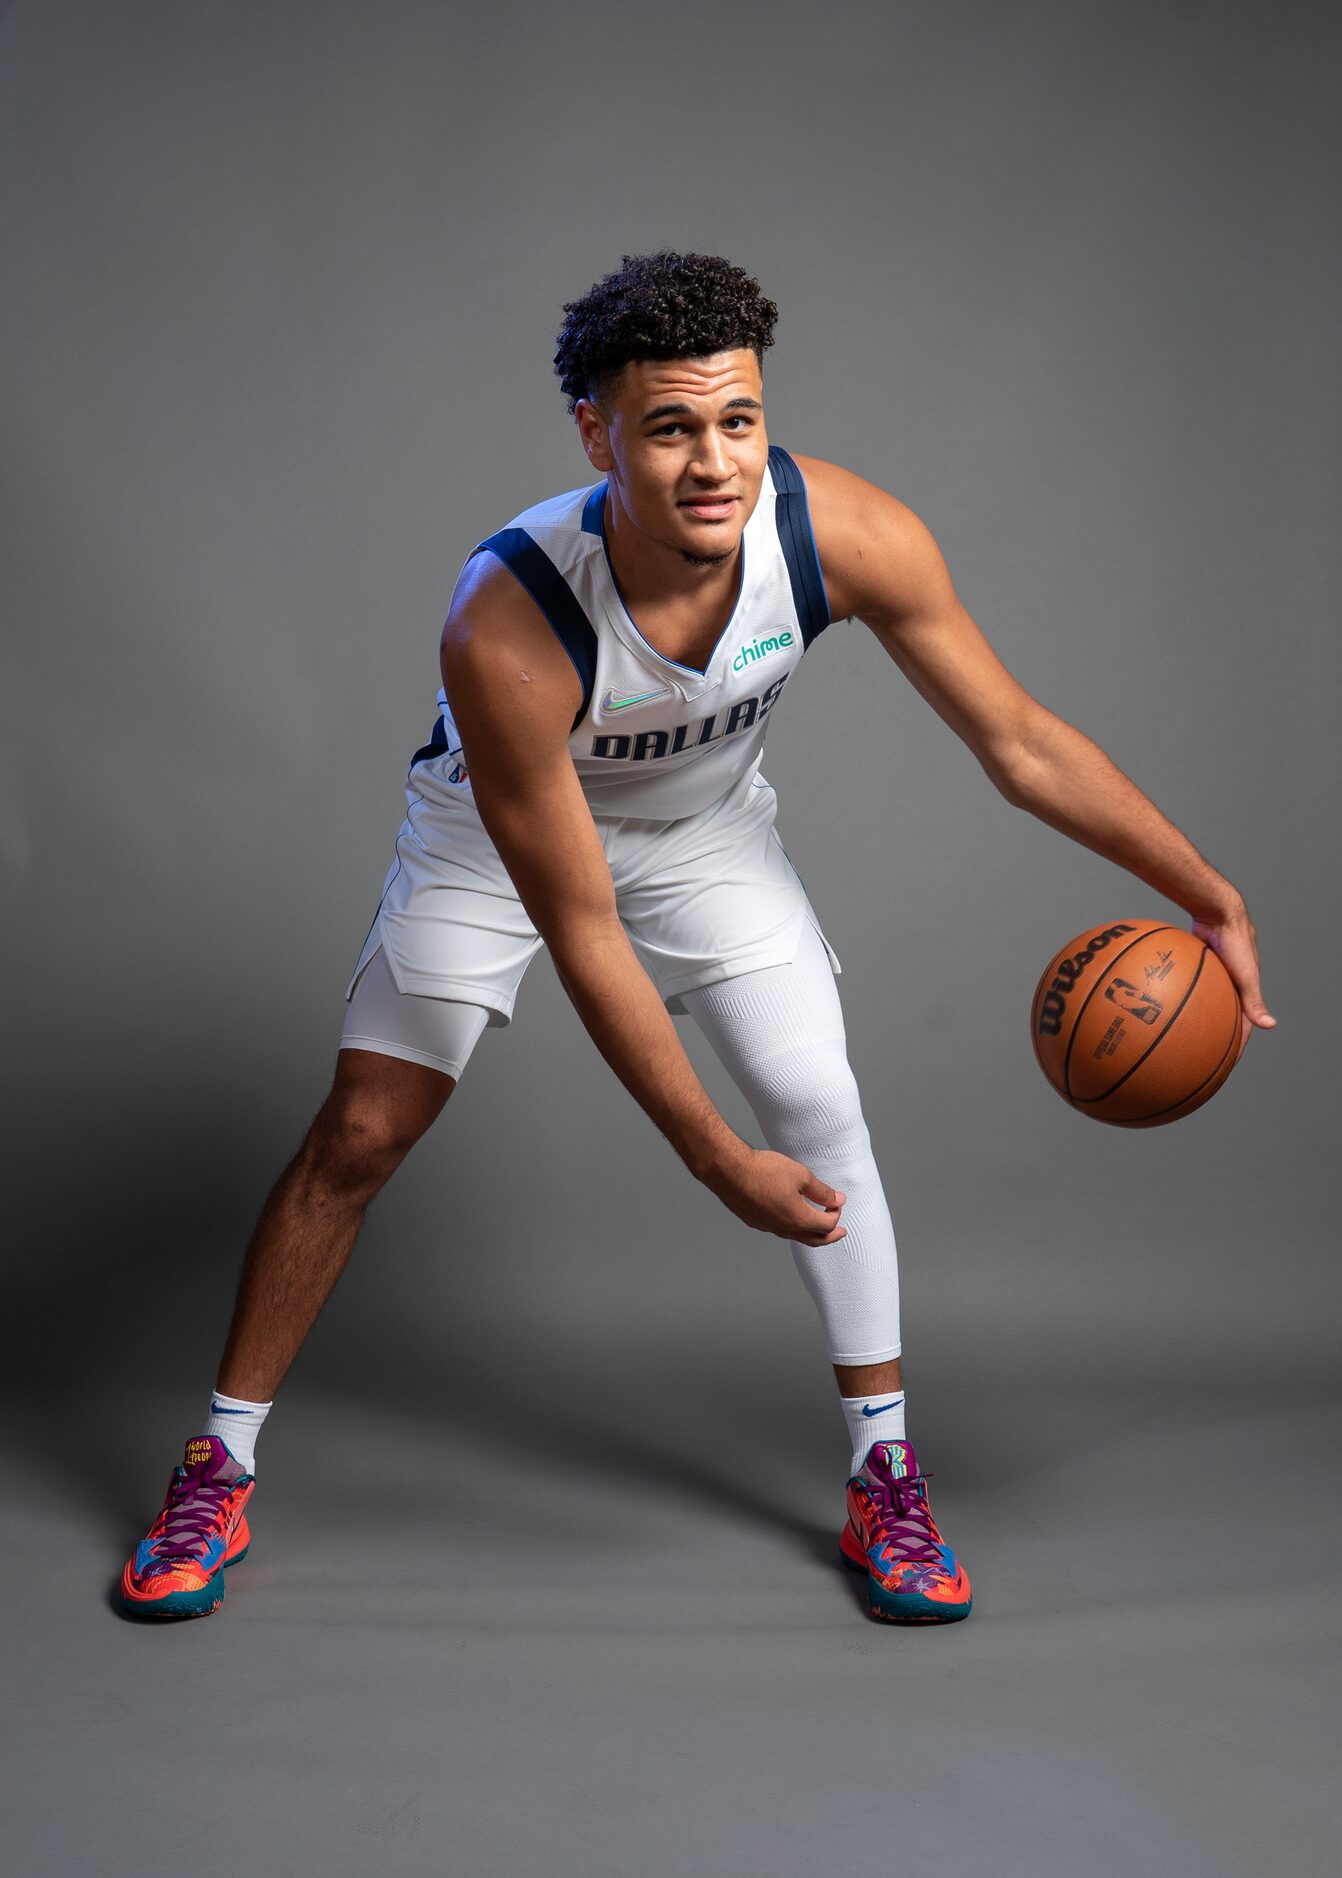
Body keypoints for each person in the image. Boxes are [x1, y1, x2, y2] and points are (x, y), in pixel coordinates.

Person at [119, 251, 1273, 1625]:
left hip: (709, 839)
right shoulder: (508, 622)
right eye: (667, 428)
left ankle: (882, 1470)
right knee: (361, 1133)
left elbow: (1017, 743)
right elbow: (583, 926)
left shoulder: (843, 533)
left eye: (737, 419)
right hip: (500, 850)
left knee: (817, 1103)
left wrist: (1205, 889)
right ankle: (219, 1460)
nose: (712, 460)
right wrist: (714, 1162)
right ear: (596, 433)